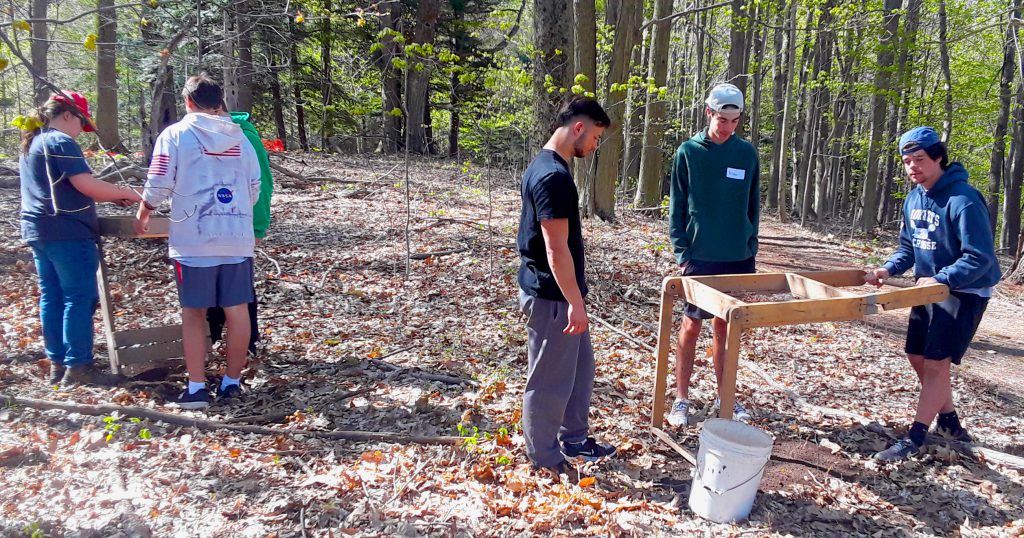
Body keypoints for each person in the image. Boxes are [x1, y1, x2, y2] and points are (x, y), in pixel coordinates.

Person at [866, 126, 1000, 462]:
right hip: (928, 290)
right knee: (917, 355)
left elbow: (979, 256)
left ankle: (915, 436)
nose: (913, 167)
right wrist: (888, 269)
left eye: (920, 159)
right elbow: (909, 247)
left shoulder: (964, 199)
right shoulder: (914, 198)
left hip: (965, 290)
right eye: (907, 161)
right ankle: (950, 422)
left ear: (939, 158)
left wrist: (942, 278)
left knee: (937, 363)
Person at [135, 74, 261, 410]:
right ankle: (232, 383)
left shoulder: (175, 134)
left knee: (194, 313)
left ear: (188, 102)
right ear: (220, 103)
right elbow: (254, 187)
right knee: (237, 312)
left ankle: (196, 388)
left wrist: (144, 210)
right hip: (236, 236)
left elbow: (159, 180)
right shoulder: (241, 138)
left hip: (193, 238)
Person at [517, 96, 615, 481]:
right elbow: (555, 249)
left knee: (580, 370)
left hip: (562, 294)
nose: (594, 146)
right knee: (549, 380)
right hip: (552, 296)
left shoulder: (550, 167)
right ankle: (543, 456)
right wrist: (575, 303)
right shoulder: (552, 177)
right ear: (578, 128)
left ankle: (574, 438)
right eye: (595, 137)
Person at [18, 91, 142, 387]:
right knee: (79, 297)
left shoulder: (35, 141)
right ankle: (79, 367)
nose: (80, 131)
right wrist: (128, 193)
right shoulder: (60, 141)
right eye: (80, 123)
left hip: (40, 230)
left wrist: (111, 197)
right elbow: (84, 184)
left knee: (53, 296)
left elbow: (67, 188)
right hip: (67, 231)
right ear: (67, 115)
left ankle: (58, 364)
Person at [666, 83, 761, 427]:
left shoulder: (746, 153)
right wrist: (682, 251)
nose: (727, 126)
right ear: (709, 113)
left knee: (726, 329)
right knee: (691, 326)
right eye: (722, 119)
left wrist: (752, 244)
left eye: (734, 121)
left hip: (737, 256)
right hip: (699, 256)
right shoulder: (689, 152)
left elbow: (753, 204)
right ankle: (681, 399)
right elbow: (677, 205)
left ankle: (726, 398)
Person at [206, 108, 273, 357]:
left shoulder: (245, 137)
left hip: (239, 227)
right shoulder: (199, 135)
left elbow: (262, 183)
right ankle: (211, 340)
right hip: (207, 228)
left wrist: (258, 225)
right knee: (208, 288)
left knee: (239, 289)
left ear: (216, 109)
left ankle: (248, 345)